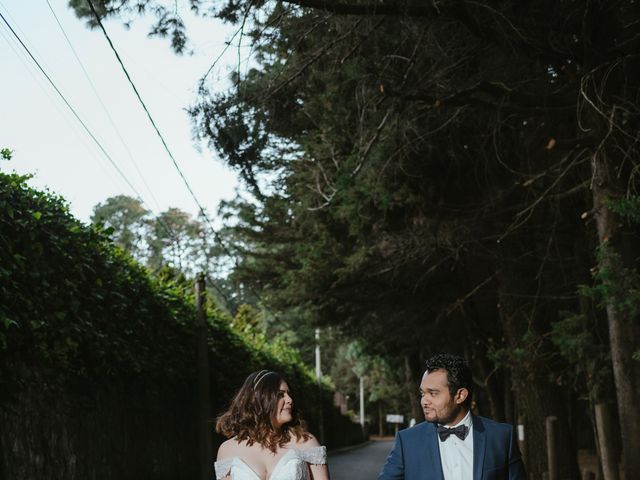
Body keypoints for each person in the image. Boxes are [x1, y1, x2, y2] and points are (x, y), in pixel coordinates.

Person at [378, 354, 526, 480]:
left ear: (460, 395)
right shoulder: (407, 442)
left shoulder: (502, 437)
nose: (424, 401)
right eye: (423, 393)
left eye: (433, 393)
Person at [214, 370, 330, 480]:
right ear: (258, 399)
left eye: (289, 394)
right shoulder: (228, 450)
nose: (289, 400)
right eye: (280, 395)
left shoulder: (306, 443)